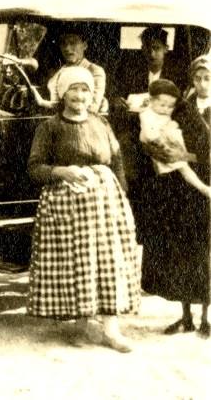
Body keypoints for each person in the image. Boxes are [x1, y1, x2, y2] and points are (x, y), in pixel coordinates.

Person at [27, 66, 140, 352]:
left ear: (92, 95)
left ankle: (111, 331)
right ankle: (79, 327)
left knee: (108, 263)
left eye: (85, 89)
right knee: (76, 265)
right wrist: (63, 172)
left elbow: (116, 160)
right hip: (67, 204)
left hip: (104, 203)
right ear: (63, 94)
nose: (80, 95)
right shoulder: (49, 127)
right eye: (74, 89)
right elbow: (34, 168)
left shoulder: (101, 123)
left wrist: (121, 197)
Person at [140, 54, 211, 338]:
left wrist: (188, 155)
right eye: (198, 78)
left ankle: (206, 316)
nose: (203, 83)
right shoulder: (182, 107)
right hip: (182, 189)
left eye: (208, 78)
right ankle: (186, 316)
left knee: (206, 251)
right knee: (183, 251)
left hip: (207, 185)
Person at [138, 78, 211, 195]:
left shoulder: (181, 107)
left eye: (170, 106)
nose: (166, 109)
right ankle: (201, 187)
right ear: (151, 100)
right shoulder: (147, 114)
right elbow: (148, 134)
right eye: (163, 105)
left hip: (186, 154)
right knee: (180, 170)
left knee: (185, 169)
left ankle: (202, 187)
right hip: (162, 147)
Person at [39, 29, 106, 113]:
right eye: (63, 43)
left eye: (73, 43)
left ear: (84, 45)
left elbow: (92, 107)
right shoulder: (59, 71)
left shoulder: (94, 71)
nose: (67, 48)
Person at [114, 25, 183, 104]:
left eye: (156, 48)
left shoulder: (176, 76)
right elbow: (120, 96)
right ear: (142, 48)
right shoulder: (132, 74)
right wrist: (119, 101)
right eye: (147, 48)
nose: (152, 54)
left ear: (166, 49)